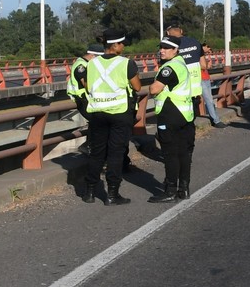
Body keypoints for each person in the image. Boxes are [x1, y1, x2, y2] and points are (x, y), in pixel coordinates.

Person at [80, 30, 142, 205]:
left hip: (98, 113)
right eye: (122, 44)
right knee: (115, 154)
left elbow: (87, 85)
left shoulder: (92, 64)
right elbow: (136, 87)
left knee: (97, 153)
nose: (123, 46)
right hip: (120, 113)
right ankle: (112, 194)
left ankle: (89, 192)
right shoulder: (126, 63)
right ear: (114, 45)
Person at [146, 36, 196, 202]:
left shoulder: (169, 67)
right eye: (161, 47)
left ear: (176, 50)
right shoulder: (181, 64)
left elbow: (154, 89)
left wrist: (151, 87)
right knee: (184, 153)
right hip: (185, 115)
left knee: (170, 154)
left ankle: (170, 191)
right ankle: (184, 189)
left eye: (167, 48)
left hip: (170, 114)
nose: (162, 50)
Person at [165, 21, 222, 128]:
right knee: (208, 99)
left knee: (181, 102)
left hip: (180, 80)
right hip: (198, 78)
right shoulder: (195, 42)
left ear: (168, 34)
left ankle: (185, 123)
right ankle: (216, 120)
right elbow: (204, 65)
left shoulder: (170, 47)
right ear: (181, 31)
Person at [69, 40, 103, 156]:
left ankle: (91, 146)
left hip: (88, 99)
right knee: (97, 121)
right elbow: (86, 84)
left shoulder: (88, 64)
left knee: (98, 121)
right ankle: (87, 146)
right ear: (93, 55)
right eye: (99, 57)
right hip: (82, 99)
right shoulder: (81, 66)